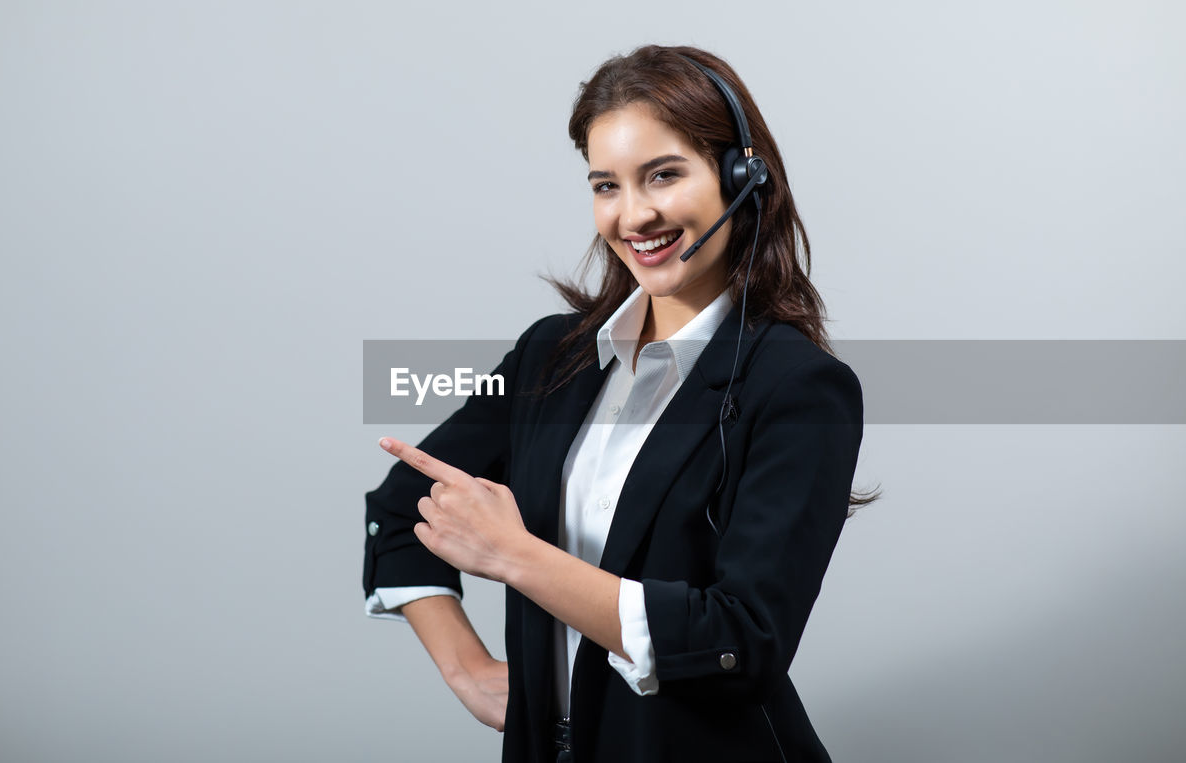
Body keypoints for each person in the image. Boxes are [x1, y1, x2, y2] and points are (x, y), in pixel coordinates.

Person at [362, 43, 876, 763]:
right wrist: (470, 673)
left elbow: (743, 642)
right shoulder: (551, 356)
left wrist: (517, 556)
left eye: (663, 175)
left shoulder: (799, 387)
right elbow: (400, 503)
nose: (634, 215)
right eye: (606, 185)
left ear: (742, 176)